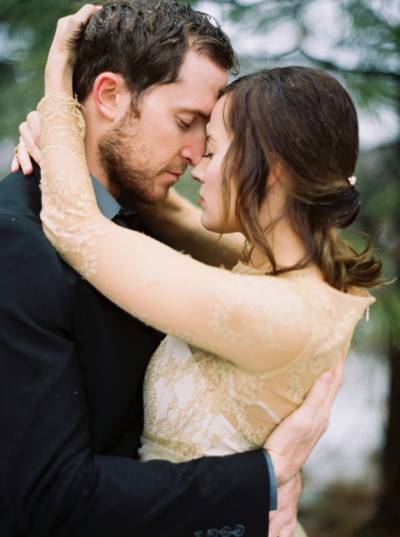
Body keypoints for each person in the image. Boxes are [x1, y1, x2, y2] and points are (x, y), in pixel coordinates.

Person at [14, 3, 384, 536]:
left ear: (270, 171)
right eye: (189, 129)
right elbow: (157, 204)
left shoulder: (280, 310)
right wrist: (66, 126)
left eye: (211, 147)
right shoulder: (273, 265)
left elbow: (77, 226)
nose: (195, 164)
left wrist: (58, 80)